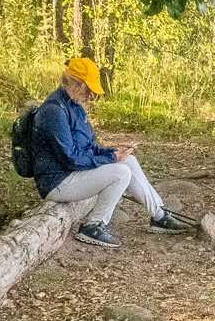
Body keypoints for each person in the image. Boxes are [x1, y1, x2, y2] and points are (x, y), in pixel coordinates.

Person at [31, 57, 190, 247]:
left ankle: (159, 216)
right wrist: (110, 158)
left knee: (128, 161)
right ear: (74, 83)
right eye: (88, 88)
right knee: (120, 173)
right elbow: (71, 159)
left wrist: (112, 152)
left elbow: (86, 147)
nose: (90, 95)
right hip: (56, 182)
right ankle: (93, 226)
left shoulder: (74, 106)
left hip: (71, 173)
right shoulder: (54, 111)